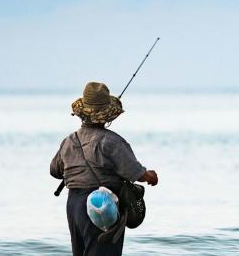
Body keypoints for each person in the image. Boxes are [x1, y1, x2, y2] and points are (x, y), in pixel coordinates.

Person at [50, 82, 158, 256]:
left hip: (74, 205)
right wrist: (151, 177)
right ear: (107, 115)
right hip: (101, 204)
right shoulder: (112, 142)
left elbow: (55, 170)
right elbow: (135, 172)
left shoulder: (69, 141)